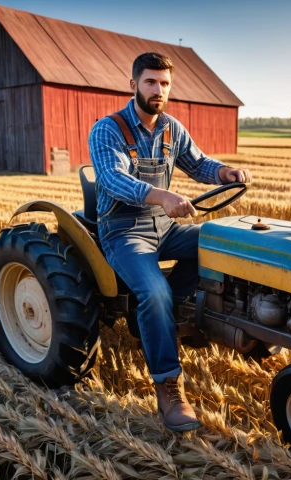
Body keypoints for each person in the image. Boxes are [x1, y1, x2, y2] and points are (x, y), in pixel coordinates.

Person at [89, 52, 252, 432]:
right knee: (154, 292)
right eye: (150, 82)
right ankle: (167, 386)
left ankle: (172, 315)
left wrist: (224, 171)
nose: (158, 90)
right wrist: (163, 197)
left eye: (164, 83)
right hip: (124, 230)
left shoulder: (171, 129)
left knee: (217, 247)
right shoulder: (107, 130)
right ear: (134, 85)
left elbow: (199, 163)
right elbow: (112, 179)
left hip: (164, 227)